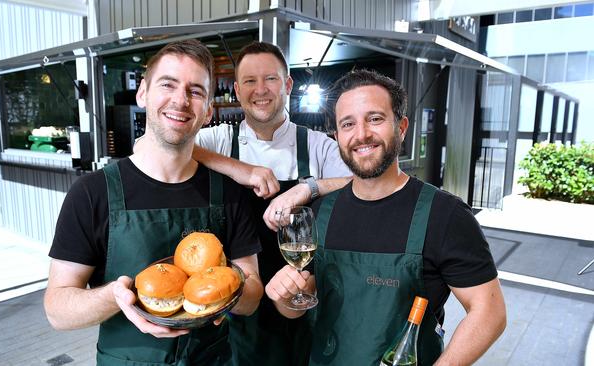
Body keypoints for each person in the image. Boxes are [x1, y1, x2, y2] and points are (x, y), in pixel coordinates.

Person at [43, 39, 263, 366]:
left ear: (207, 111)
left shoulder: (230, 194)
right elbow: (58, 310)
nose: (180, 100)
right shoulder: (91, 193)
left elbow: (254, 293)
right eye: (168, 84)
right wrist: (115, 296)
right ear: (142, 93)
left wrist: (227, 295)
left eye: (196, 91)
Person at [266, 70, 506, 366]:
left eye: (375, 119)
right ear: (337, 136)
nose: (362, 134)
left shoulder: (445, 215)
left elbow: (490, 312)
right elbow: (298, 307)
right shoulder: (320, 212)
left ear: (401, 127)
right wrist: (284, 297)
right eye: (348, 124)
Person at [192, 41, 352, 366]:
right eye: (250, 81)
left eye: (271, 79)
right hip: (239, 307)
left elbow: (370, 184)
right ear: (237, 90)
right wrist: (242, 170)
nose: (260, 90)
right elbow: (151, 145)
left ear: (288, 84)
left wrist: (307, 188)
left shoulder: (317, 144)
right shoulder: (220, 140)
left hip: (305, 301)